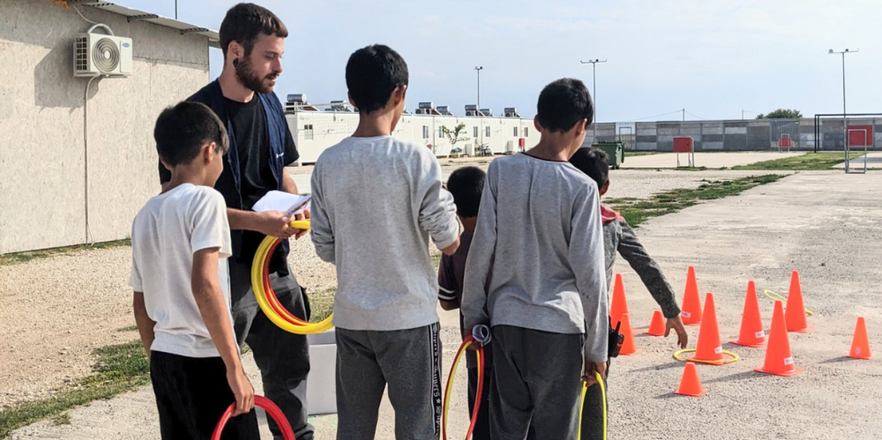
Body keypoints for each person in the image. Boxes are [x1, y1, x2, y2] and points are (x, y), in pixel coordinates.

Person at [158, 4, 313, 438]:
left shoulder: (271, 103)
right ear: (235, 52)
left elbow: (286, 169)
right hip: (226, 275)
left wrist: (295, 206)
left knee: (290, 374)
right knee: (224, 381)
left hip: (276, 270)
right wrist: (256, 222)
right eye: (269, 56)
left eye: (280, 56)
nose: (279, 67)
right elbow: (181, 203)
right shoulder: (195, 117)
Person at [309, 44, 461, 440]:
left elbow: (325, 248)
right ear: (400, 94)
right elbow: (449, 240)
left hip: (353, 319)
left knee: (354, 428)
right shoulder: (416, 159)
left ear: (351, 98)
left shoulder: (327, 162)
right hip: (409, 319)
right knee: (417, 427)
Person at [461, 78, 608, 439]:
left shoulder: (500, 171)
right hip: (559, 327)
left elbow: (482, 249)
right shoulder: (582, 188)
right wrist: (597, 347)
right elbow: (590, 274)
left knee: (506, 428)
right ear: (581, 127)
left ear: (537, 121)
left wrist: (472, 314)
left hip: (506, 323)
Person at [132, 101, 258, 439]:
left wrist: (156, 356)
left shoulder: (146, 214)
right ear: (210, 151)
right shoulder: (207, 200)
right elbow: (205, 285)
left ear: (164, 159)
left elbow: (140, 302)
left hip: (165, 358)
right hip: (206, 359)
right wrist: (234, 366)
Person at [568, 146, 688, 439]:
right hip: (595, 326)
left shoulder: (551, 216)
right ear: (605, 187)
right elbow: (646, 265)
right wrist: (670, 309)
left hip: (551, 323)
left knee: (552, 407)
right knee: (594, 401)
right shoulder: (612, 222)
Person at [437, 166, 491, 440]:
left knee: (480, 422)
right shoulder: (500, 239)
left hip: (475, 351)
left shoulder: (454, 247)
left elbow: (446, 302)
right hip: (510, 349)